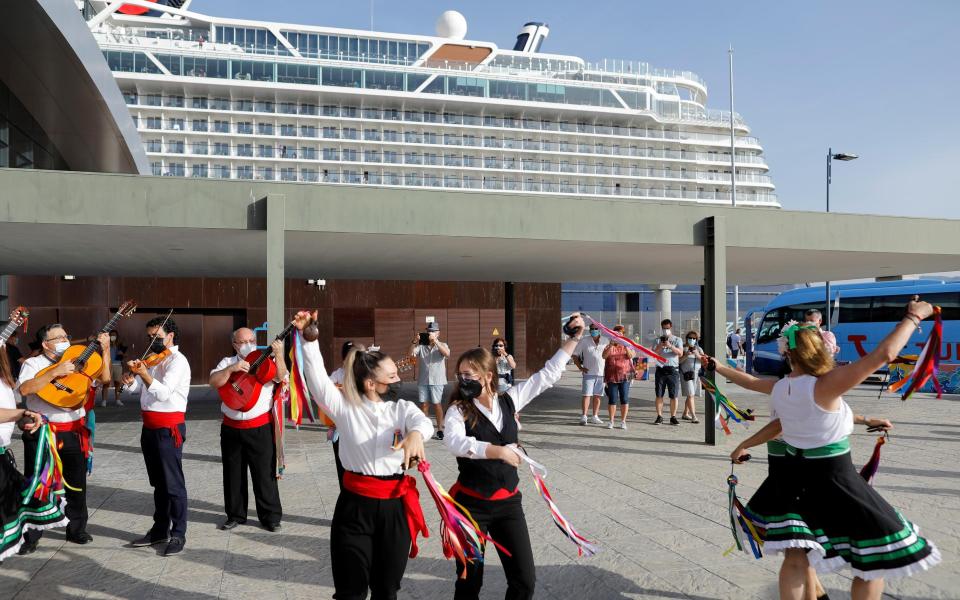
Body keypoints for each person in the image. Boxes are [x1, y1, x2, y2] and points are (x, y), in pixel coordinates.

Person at [712, 297, 940, 600]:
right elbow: (885, 354)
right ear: (820, 349)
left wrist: (741, 440)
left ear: (788, 353)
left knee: (795, 558)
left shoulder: (782, 387)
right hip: (834, 476)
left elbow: (765, 403)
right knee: (874, 560)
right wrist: (913, 316)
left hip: (793, 477)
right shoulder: (826, 385)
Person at [444, 313, 586, 600]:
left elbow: (546, 376)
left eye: (469, 375)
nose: (463, 380)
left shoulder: (510, 400)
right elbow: (455, 443)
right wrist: (498, 451)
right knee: (469, 582)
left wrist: (573, 339)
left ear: (488, 375)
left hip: (508, 504)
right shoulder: (457, 410)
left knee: (524, 581)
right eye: (460, 375)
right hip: (471, 507)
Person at [293, 310, 432, 600]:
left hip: (395, 508)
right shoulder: (345, 409)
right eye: (392, 376)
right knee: (350, 590)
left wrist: (416, 435)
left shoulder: (401, 409)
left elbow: (423, 423)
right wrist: (309, 339)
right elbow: (317, 380)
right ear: (371, 384)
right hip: (355, 508)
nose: (398, 380)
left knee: (387, 589)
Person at [17, 323, 112, 554]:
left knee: (76, 481)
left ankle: (76, 528)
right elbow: (25, 389)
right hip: (42, 432)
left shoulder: (80, 360)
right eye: (57, 337)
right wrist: (54, 372)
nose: (64, 340)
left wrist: (106, 349)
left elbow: (106, 378)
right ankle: (31, 534)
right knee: (36, 482)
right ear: (45, 344)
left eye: (65, 336)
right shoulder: (34, 363)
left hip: (73, 430)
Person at [122, 316, 191, 557]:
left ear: (170, 335)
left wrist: (145, 374)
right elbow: (140, 390)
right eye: (150, 337)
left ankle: (178, 533)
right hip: (149, 427)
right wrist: (131, 380)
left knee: (173, 484)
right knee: (158, 483)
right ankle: (160, 528)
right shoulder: (152, 360)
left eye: (157, 337)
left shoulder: (178, 362)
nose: (152, 341)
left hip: (167, 428)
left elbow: (163, 394)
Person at [209, 328, 286, 532]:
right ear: (234, 344)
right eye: (243, 341)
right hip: (231, 428)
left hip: (259, 427)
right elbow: (213, 382)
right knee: (233, 473)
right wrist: (231, 370)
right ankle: (235, 515)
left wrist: (278, 354)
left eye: (252, 340)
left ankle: (270, 517)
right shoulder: (226, 362)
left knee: (264, 474)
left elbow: (281, 376)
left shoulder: (265, 361)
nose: (248, 343)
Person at [0, 343, 63, 561]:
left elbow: (7, 413)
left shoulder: (4, 381)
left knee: (17, 504)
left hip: (2, 454)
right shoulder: (30, 366)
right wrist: (23, 413)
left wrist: (22, 419)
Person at [329, 340, 364, 488]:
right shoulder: (338, 374)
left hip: (360, 427)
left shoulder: (364, 374)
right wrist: (339, 390)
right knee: (342, 468)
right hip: (340, 428)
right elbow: (326, 391)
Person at [409, 321, 449, 440]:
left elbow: (447, 354)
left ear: (438, 333)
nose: (430, 333)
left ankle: (440, 429)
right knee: (424, 404)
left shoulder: (443, 344)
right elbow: (410, 354)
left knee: (437, 404)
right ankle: (425, 429)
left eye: (433, 331)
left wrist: (435, 342)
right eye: (429, 331)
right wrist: (415, 341)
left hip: (437, 380)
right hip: (424, 379)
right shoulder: (421, 346)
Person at [573, 322, 607, 425]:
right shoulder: (584, 340)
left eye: (595, 328)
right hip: (588, 374)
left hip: (601, 373)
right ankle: (584, 416)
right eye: (591, 329)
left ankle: (595, 416)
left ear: (599, 329)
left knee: (597, 396)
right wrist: (580, 367)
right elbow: (575, 355)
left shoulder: (605, 340)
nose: (593, 330)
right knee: (586, 395)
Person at [601, 325, 635, 430]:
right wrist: (611, 345)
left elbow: (631, 356)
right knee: (612, 399)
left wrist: (624, 345)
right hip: (611, 376)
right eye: (616, 333)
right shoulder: (608, 346)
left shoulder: (628, 345)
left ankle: (623, 421)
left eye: (620, 333)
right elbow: (604, 356)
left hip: (626, 375)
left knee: (624, 398)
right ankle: (611, 421)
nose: (618, 335)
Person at [652, 319, 684, 425]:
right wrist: (660, 346)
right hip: (661, 369)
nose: (666, 330)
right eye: (664, 328)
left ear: (671, 327)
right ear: (661, 328)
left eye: (667, 328)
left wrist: (670, 346)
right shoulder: (657, 340)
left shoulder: (677, 339)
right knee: (659, 394)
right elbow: (653, 354)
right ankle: (659, 416)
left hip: (673, 370)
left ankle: (673, 417)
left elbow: (680, 353)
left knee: (674, 395)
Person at [679, 331, 703, 423]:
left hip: (696, 374)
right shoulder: (683, 348)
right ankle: (694, 416)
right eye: (690, 338)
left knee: (691, 395)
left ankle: (685, 413)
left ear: (696, 339)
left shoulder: (699, 349)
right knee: (690, 394)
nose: (692, 340)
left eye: (694, 338)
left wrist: (697, 355)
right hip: (686, 374)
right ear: (687, 338)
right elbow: (678, 361)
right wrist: (686, 355)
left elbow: (704, 361)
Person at [101, 331, 126, 407]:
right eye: (111, 335)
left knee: (118, 384)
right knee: (106, 383)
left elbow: (123, 356)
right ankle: (104, 401)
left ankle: (118, 400)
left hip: (118, 365)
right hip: (107, 365)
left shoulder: (120, 345)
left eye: (114, 335)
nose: (113, 337)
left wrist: (122, 355)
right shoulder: (106, 344)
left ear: (117, 336)